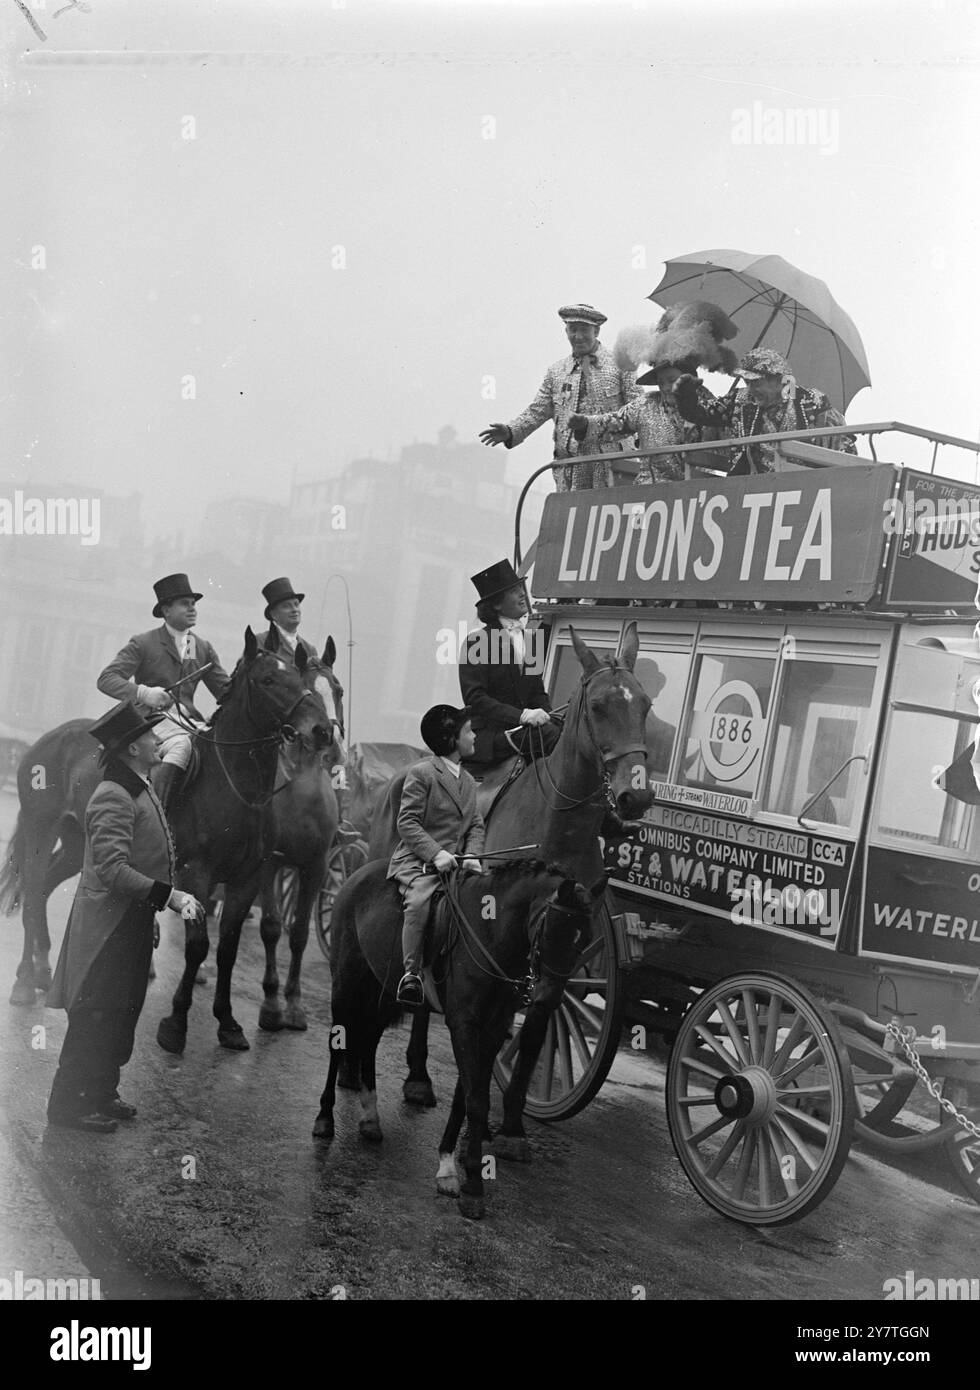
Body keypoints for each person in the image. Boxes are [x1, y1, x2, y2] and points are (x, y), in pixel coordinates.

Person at [45, 702, 205, 1132]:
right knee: (95, 1013)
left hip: (131, 917)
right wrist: (169, 897)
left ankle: (101, 1091)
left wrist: (149, 909)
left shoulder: (140, 785)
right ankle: (69, 1107)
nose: (158, 740)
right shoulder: (113, 795)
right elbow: (114, 870)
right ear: (134, 747)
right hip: (105, 927)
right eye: (152, 736)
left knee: (122, 1010)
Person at [96, 573, 230, 811]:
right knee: (183, 745)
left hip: (187, 721)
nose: (192, 609)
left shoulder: (199, 647)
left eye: (194, 604)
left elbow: (226, 693)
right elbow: (106, 679)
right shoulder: (144, 642)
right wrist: (144, 693)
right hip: (150, 721)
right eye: (185, 604)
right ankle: (158, 810)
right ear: (166, 610)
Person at [480, 303, 639, 492]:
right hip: (570, 466)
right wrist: (511, 430)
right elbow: (537, 411)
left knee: (607, 517)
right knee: (572, 518)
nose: (578, 336)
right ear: (566, 331)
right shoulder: (556, 372)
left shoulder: (621, 363)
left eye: (584, 330)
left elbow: (638, 410)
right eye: (573, 330)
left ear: (596, 331)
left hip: (612, 463)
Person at [567, 307, 737, 482]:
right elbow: (614, 423)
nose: (665, 387)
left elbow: (732, 451)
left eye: (671, 380)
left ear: (689, 378)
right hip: (649, 494)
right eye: (661, 382)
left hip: (697, 496)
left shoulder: (711, 409)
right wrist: (584, 424)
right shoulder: (647, 405)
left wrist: (729, 419)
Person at [388, 706, 485, 1006]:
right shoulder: (423, 773)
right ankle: (411, 975)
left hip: (455, 864)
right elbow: (407, 822)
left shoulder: (469, 782)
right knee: (418, 901)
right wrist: (436, 852)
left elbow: (476, 825)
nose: (474, 736)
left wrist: (471, 855)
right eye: (469, 730)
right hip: (419, 862)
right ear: (452, 739)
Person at [674, 347, 857, 475]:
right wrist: (686, 393)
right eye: (747, 381)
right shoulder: (740, 399)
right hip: (751, 487)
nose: (751, 389)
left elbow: (843, 449)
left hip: (802, 484)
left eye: (756, 382)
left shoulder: (810, 401)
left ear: (779, 380)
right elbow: (701, 414)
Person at [459, 559, 559, 766]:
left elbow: (537, 693)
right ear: (496, 603)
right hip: (489, 736)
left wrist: (550, 715)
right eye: (514, 591)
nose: (523, 594)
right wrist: (521, 716)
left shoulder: (531, 640)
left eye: (520, 588)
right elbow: (475, 698)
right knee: (550, 737)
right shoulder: (477, 641)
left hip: (523, 731)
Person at [255, 576, 319, 659]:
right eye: (286, 606)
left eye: (296, 604)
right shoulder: (260, 642)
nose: (294, 610)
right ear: (273, 614)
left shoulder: (310, 650)